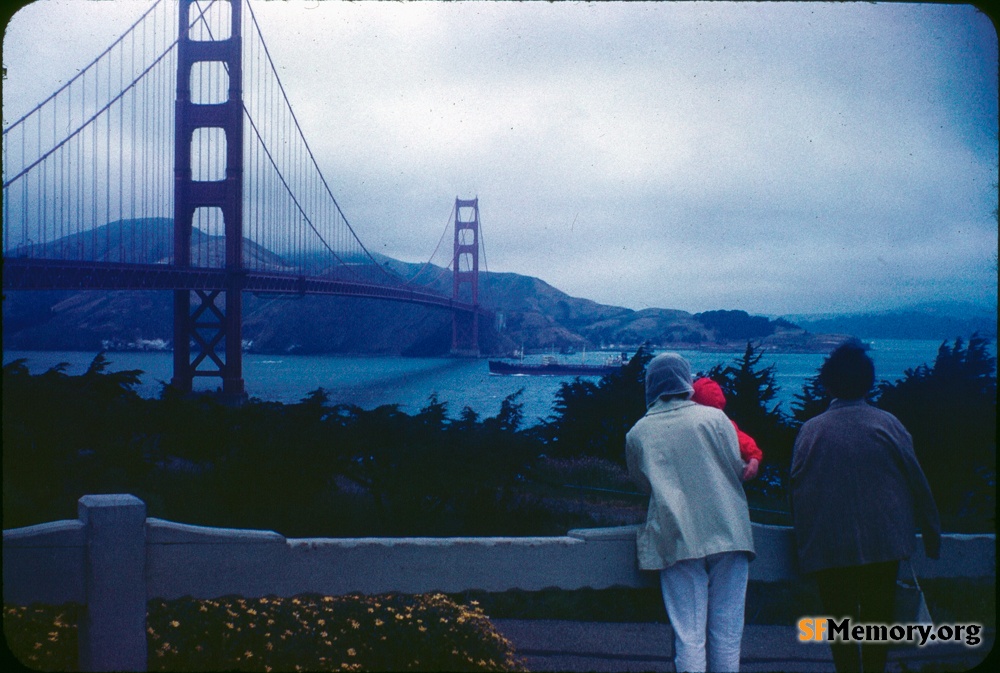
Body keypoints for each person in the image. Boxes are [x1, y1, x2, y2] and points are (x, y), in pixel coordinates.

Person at [790, 339, 941, 673]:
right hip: (883, 542)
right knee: (877, 624)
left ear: (827, 384)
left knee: (840, 628)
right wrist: (932, 531)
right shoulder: (888, 424)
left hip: (829, 546)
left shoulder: (810, 430)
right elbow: (918, 480)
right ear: (868, 382)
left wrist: (803, 545)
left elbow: (797, 489)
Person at [626, 352, 755, 673]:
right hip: (730, 531)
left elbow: (644, 485)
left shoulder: (638, 433)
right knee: (727, 633)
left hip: (677, 535)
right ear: (687, 380)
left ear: (651, 385)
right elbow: (737, 469)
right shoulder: (715, 419)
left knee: (689, 635)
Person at [691, 377, 763, 481]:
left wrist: (754, 458)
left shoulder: (698, 421)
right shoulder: (724, 422)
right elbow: (744, 440)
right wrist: (754, 458)